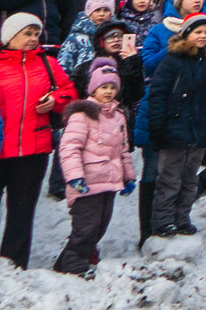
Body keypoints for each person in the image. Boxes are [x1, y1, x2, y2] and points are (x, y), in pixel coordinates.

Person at [140, 12, 206, 237]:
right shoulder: (172, 59)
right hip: (174, 128)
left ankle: (182, 218)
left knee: (190, 178)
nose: (202, 36)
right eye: (198, 32)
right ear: (187, 33)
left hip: (201, 129)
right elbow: (158, 94)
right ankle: (162, 221)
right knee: (169, 178)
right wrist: (158, 126)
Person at [52, 58, 133, 275]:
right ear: (92, 89)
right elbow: (69, 149)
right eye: (103, 87)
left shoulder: (118, 116)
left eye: (112, 87)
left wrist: (128, 176)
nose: (108, 92)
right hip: (86, 183)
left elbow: (123, 149)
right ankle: (74, 266)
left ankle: (63, 265)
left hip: (109, 182)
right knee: (85, 229)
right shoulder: (82, 114)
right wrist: (74, 177)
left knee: (99, 227)